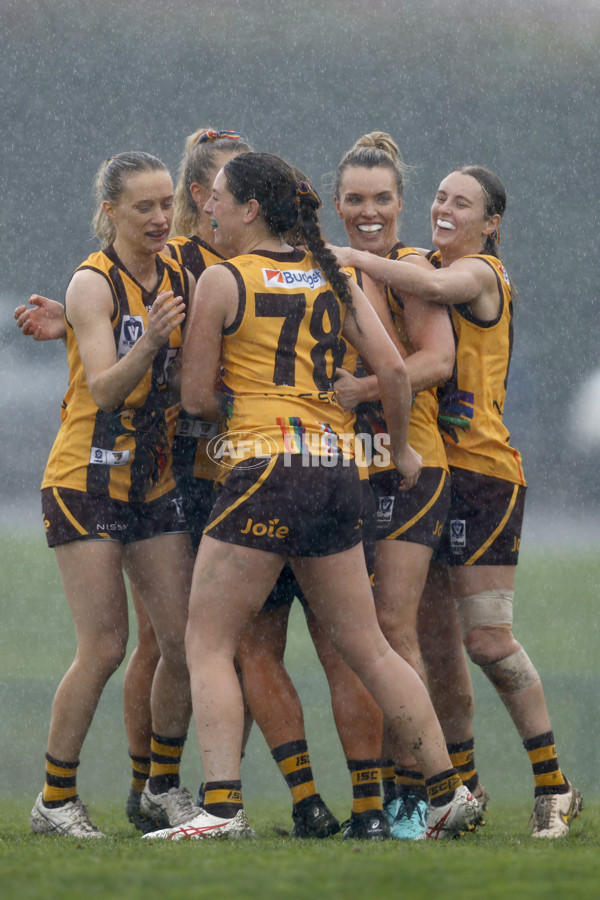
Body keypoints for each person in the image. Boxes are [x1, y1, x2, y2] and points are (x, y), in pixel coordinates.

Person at [142, 150, 480, 841]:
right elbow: (391, 368)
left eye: (220, 201)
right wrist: (404, 446)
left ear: (251, 210)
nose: (208, 209)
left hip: (265, 467)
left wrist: (240, 400)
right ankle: (447, 793)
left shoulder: (223, 281)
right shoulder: (333, 272)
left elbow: (199, 397)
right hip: (338, 470)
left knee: (207, 640)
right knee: (369, 647)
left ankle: (222, 810)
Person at [332, 164, 583, 839]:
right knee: (438, 646)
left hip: (485, 475)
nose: (445, 209)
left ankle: (554, 784)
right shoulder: (416, 266)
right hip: (438, 472)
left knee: (489, 641)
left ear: (491, 222)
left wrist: (355, 256)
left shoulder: (477, 274)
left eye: (462, 202)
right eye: (441, 198)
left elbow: (434, 289)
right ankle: (461, 786)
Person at [28, 151, 198, 838]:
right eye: (143, 208)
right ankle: (56, 799)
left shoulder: (183, 266)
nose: (160, 219)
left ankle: (160, 787)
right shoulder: (91, 285)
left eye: (166, 205)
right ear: (110, 213)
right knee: (103, 645)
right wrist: (151, 340)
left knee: (184, 643)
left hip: (152, 481)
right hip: (86, 477)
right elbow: (103, 389)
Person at [330, 133, 482, 840]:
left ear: (400, 203)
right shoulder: (323, 270)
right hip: (346, 468)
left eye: (382, 198)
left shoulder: (408, 267)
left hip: (413, 463)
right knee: (358, 637)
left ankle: (421, 794)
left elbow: (438, 360)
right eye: (356, 199)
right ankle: (384, 797)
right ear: (336, 204)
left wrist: (365, 385)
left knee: (394, 627)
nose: (369, 211)